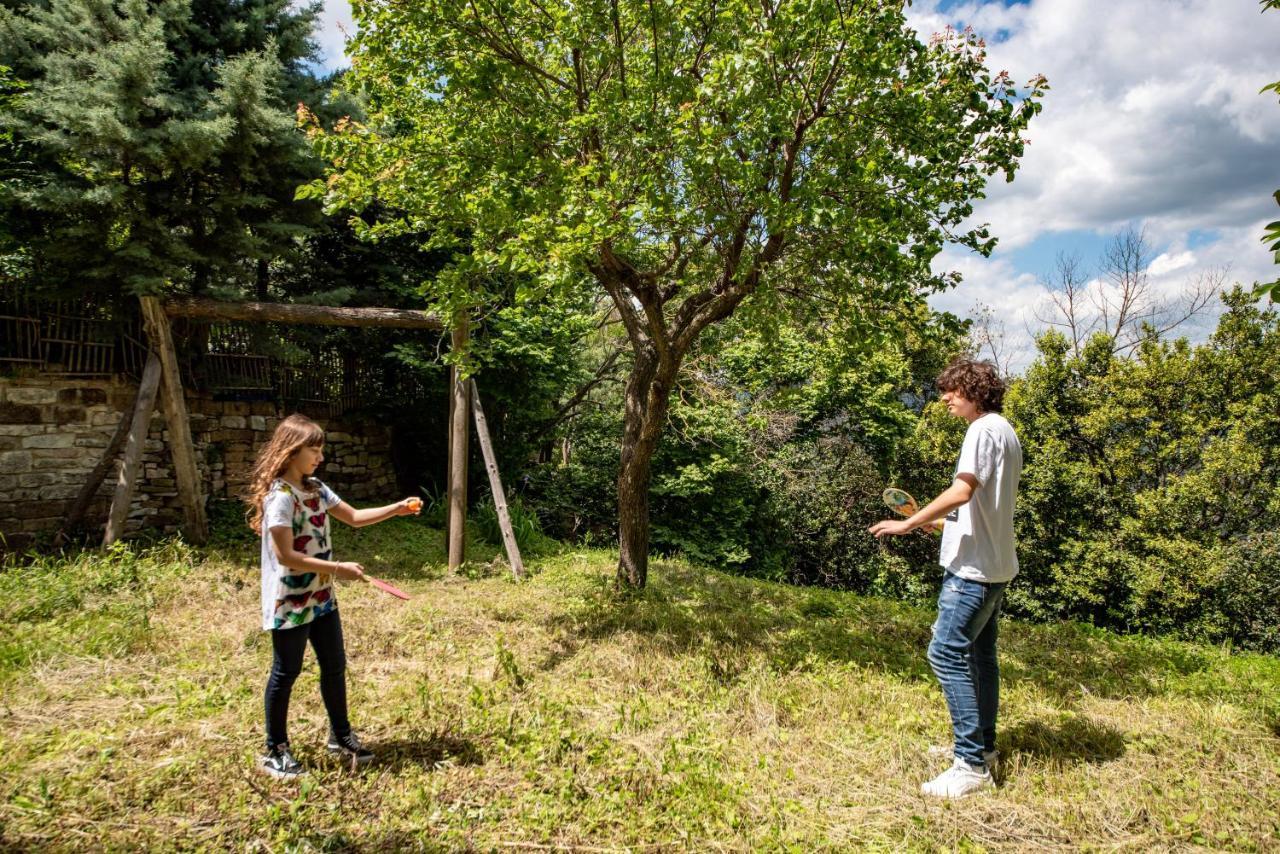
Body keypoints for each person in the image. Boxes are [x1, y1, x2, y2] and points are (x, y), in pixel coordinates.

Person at [869, 359, 1022, 799]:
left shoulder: (979, 430)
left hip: (972, 572)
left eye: (953, 390)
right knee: (980, 658)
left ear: (975, 391)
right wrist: (937, 523)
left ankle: (970, 764)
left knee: (944, 654)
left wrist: (908, 524)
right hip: (996, 566)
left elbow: (963, 490)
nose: (945, 398)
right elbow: (982, 509)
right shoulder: (1005, 431)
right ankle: (983, 748)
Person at [245, 413, 420, 779]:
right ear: (292, 451)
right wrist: (337, 568)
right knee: (286, 671)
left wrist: (396, 508)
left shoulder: (317, 489)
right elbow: (286, 556)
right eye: (314, 449)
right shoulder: (281, 497)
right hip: (290, 600)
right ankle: (275, 749)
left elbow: (354, 517)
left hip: (321, 596)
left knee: (334, 665)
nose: (320, 456)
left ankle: (340, 737)